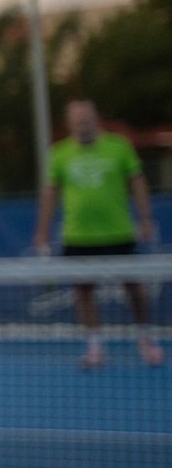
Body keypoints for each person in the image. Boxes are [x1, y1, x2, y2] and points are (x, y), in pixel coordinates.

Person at [33, 100, 164, 369]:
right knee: (83, 292)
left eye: (87, 118)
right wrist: (43, 230)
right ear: (70, 124)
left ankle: (146, 340)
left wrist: (146, 219)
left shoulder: (119, 147)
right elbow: (50, 192)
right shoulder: (60, 153)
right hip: (78, 237)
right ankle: (95, 348)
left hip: (118, 234)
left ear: (97, 119)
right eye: (77, 120)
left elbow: (137, 181)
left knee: (135, 290)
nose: (83, 124)